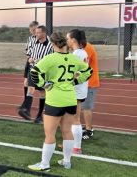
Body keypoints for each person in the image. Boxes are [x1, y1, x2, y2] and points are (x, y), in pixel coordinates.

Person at [28, 32, 92, 171]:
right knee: (67, 131)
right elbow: (88, 71)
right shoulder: (73, 58)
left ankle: (45, 164)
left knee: (50, 134)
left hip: (55, 100)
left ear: (53, 44)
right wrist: (76, 81)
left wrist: (44, 85)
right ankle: (67, 161)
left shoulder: (50, 58)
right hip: (70, 99)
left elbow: (34, 72)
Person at [19, 26, 53, 123]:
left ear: (44, 33)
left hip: (43, 73)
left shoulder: (50, 45)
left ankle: (39, 116)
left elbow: (53, 59)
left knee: (42, 93)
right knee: (30, 89)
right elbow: (29, 54)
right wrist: (30, 59)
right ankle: (26, 110)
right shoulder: (34, 42)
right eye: (36, 32)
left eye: (38, 33)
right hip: (33, 70)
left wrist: (41, 61)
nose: (36, 34)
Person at [66, 29, 88, 154]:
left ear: (73, 40)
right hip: (81, 89)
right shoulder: (82, 52)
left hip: (75, 90)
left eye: (68, 38)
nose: (67, 41)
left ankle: (76, 147)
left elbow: (74, 74)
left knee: (75, 119)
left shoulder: (76, 55)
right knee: (73, 118)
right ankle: (72, 144)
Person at [81, 42, 100, 139]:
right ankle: (87, 128)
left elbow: (82, 64)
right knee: (83, 107)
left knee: (86, 107)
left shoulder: (87, 48)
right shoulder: (84, 48)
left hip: (90, 82)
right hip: (85, 81)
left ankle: (89, 130)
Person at [21, 21, 38, 113]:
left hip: (36, 64)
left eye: (34, 29)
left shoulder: (42, 39)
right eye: (31, 30)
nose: (33, 31)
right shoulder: (30, 38)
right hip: (29, 62)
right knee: (25, 83)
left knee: (35, 86)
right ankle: (25, 102)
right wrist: (28, 56)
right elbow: (26, 49)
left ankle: (27, 105)